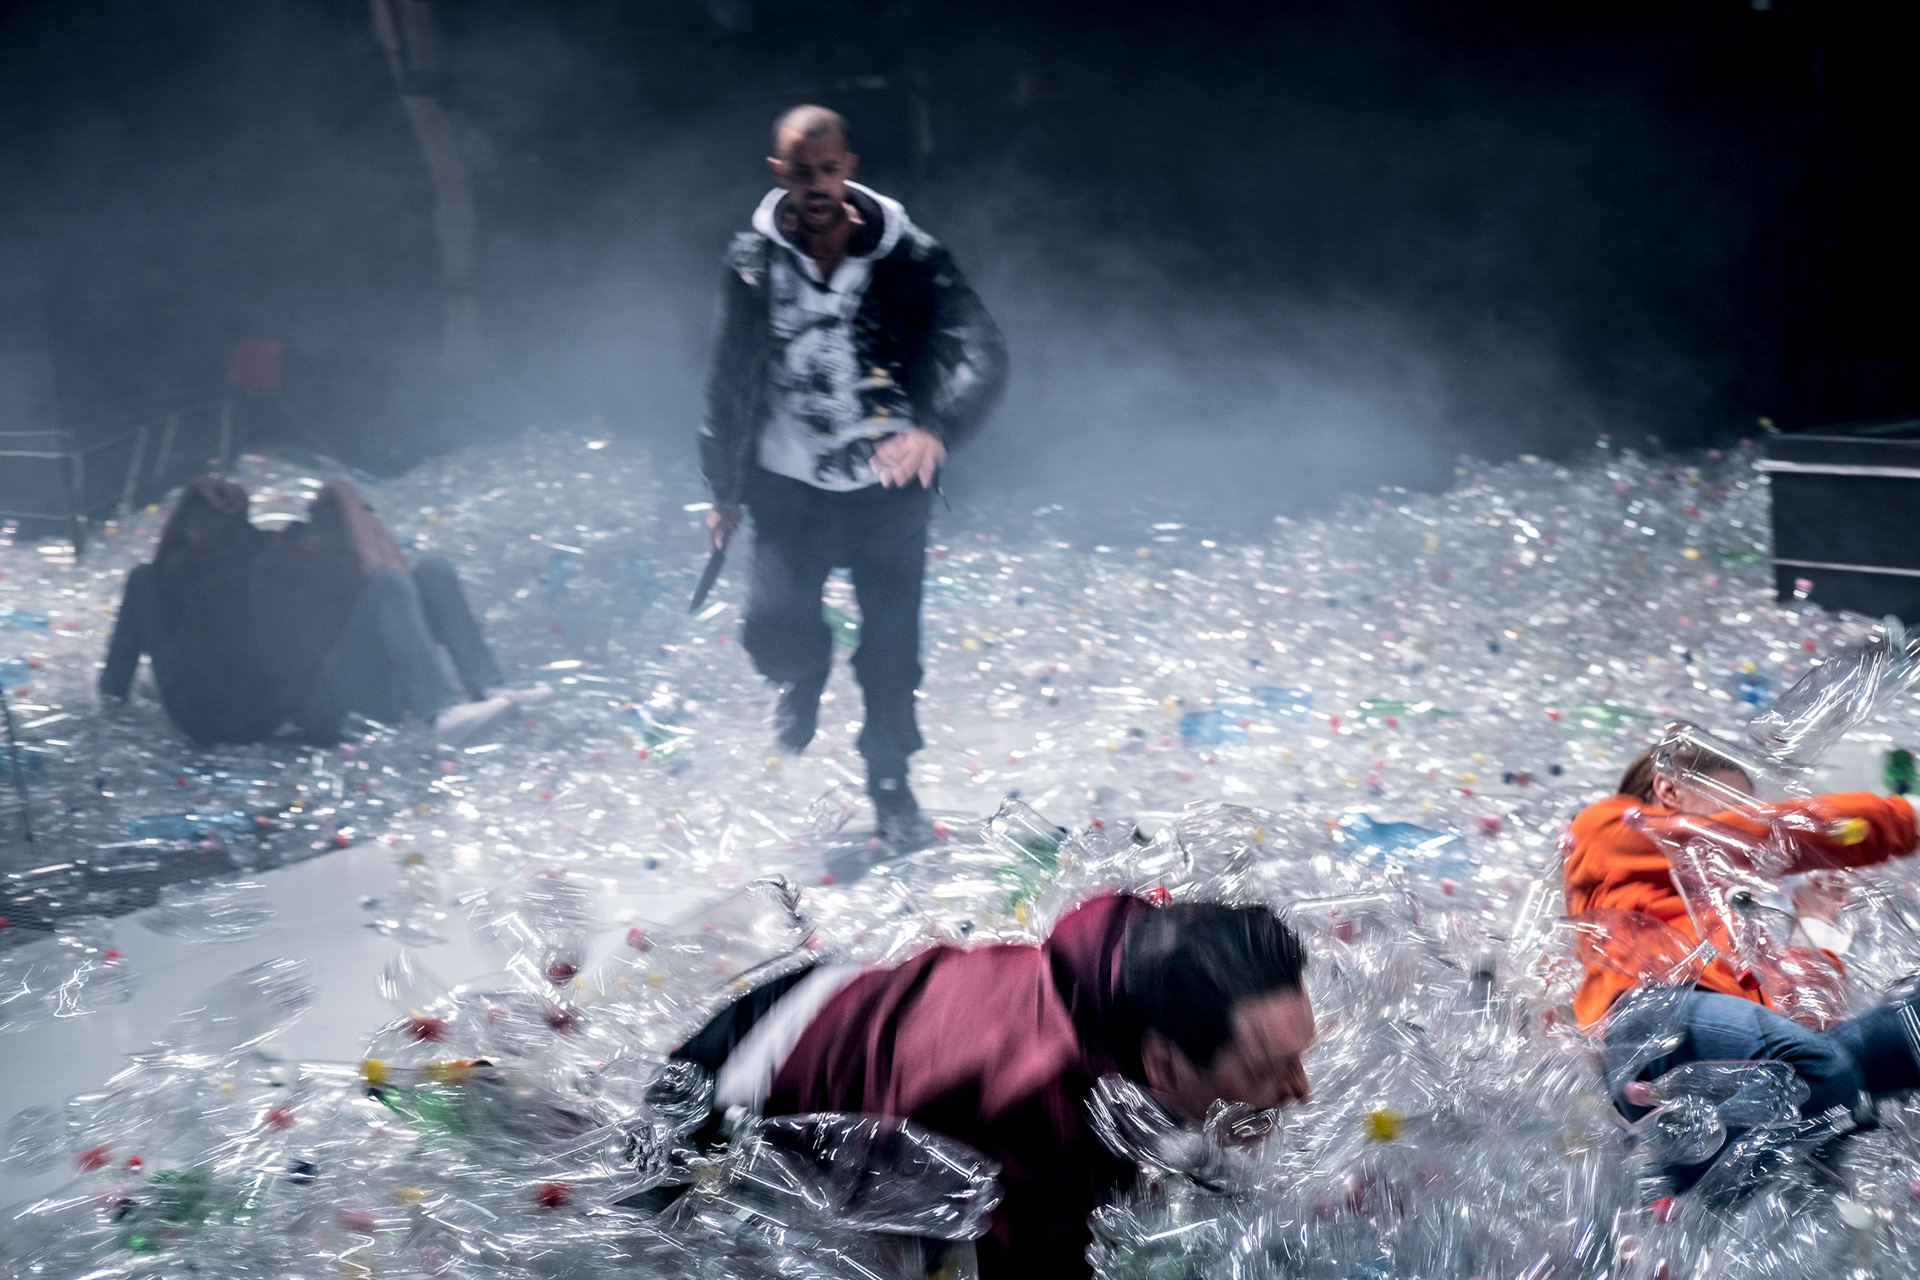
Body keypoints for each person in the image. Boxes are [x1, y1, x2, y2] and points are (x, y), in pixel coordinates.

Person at [667, 896, 1315, 1280]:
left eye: (1298, 1057)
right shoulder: (1038, 1125)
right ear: (1163, 1066)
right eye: (1267, 1069)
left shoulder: (1147, 959)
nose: (1300, 1089)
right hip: (732, 1100)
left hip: (846, 1003)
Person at [698, 104, 1008, 847]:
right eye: (801, 172)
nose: (816, 185)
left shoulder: (910, 256)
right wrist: (723, 489)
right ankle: (806, 673)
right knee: (773, 633)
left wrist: (936, 429)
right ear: (779, 174)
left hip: (885, 491)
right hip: (786, 486)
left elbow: (982, 350)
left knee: (892, 652)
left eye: (829, 170)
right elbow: (726, 379)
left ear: (849, 169)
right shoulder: (752, 262)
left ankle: (890, 782)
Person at [1564, 741, 1920, 1189]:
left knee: (1888, 1039)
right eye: (1731, 807)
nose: (1743, 820)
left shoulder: (1731, 920)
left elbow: (1809, 1019)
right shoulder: (1605, 827)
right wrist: (1904, 818)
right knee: (1821, 1072)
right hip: (1656, 1023)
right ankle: (1679, 1185)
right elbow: (1763, 832)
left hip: (1743, 1053)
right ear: (1669, 791)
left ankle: (1709, 1182)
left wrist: (1815, 923)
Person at [101, 477, 532, 745]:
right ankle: (442, 714)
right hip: (308, 708)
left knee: (432, 572)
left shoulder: (267, 554)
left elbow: (397, 578)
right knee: (390, 583)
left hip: (322, 694)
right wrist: (344, 496)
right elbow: (385, 571)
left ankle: (489, 689)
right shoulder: (296, 562)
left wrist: (192, 495)